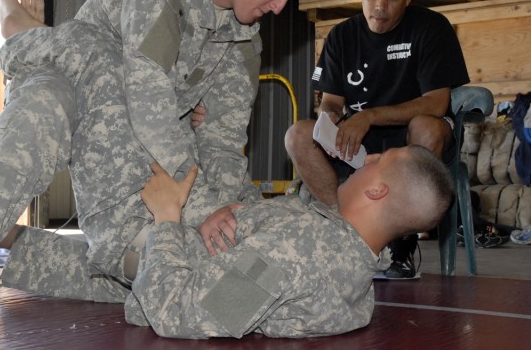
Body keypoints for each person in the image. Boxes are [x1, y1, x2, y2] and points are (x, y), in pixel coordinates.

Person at [0, 0, 320, 348]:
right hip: (77, 83)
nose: (281, 7)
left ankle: (11, 242)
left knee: (143, 265)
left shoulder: (243, 38)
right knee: (33, 123)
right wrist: (199, 209)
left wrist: (230, 217)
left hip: (134, 139)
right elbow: (149, 103)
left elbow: (223, 141)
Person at [127, 144, 455, 338]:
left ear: (377, 191)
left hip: (150, 261)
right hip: (174, 251)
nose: (367, 159)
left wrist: (166, 217)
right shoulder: (346, 254)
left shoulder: (292, 254)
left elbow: (174, 314)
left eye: (380, 160)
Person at [283, 0, 470, 279]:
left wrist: (368, 116)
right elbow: (331, 102)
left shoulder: (431, 27)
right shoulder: (342, 36)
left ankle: (400, 248)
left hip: (412, 140)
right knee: (299, 134)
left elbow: (436, 103)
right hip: (361, 138)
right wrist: (331, 123)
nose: (380, 6)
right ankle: (347, 233)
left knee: (425, 126)